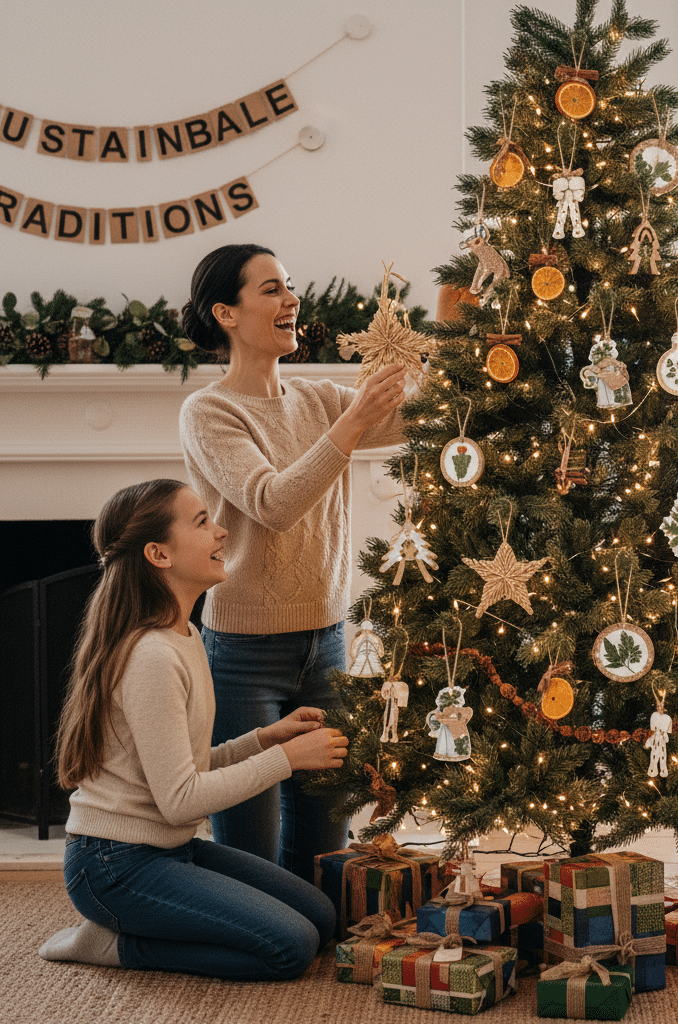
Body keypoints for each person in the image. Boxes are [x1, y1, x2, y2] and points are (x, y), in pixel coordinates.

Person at [39, 479, 348, 979]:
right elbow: (181, 799)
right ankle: (114, 945)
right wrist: (286, 761)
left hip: (169, 848)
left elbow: (187, 767)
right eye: (202, 522)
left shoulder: (186, 636)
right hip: (113, 866)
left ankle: (148, 923)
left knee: (321, 916)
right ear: (159, 554)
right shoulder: (152, 656)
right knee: (290, 947)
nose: (222, 533)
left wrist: (264, 738)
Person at [178, 244, 408, 883]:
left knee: (322, 858)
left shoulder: (319, 400)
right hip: (245, 654)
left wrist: (474, 364)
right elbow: (272, 503)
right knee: (251, 858)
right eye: (272, 289)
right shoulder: (210, 411)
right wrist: (355, 421)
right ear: (227, 313)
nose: (291, 300)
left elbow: (424, 420)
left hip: (327, 645)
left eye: (290, 287)